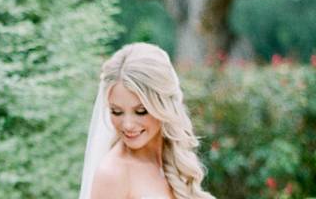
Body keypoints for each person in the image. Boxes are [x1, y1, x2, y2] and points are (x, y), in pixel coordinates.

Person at [78, 42, 216, 199]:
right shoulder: (113, 174)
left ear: (163, 105)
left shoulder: (174, 161)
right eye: (116, 112)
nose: (128, 125)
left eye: (140, 111)